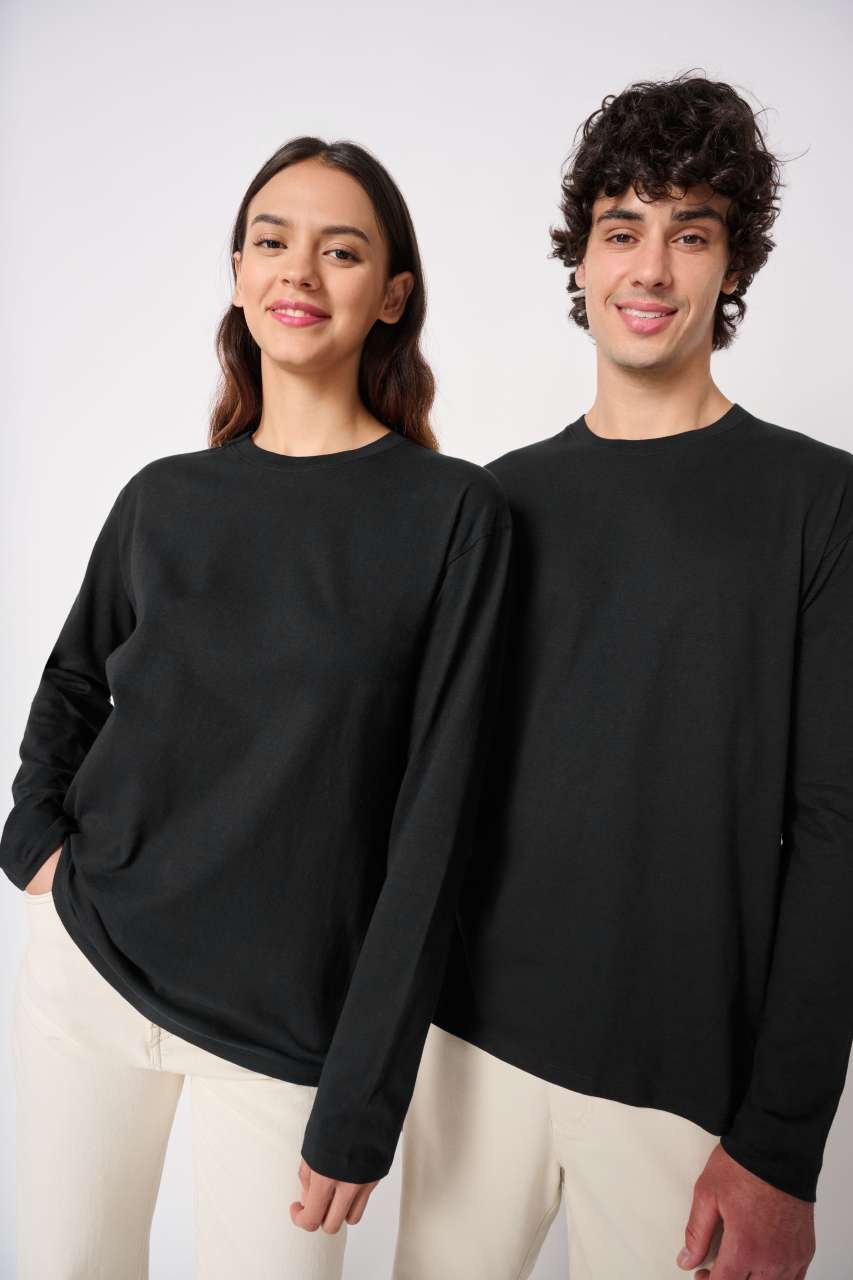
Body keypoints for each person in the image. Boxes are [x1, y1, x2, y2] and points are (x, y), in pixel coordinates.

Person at [2, 135, 512, 1280]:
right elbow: (74, 680)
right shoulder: (165, 497)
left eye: (342, 251)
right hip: (90, 970)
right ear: (238, 273)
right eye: (272, 241)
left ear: (392, 295)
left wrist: (366, 1092)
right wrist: (34, 837)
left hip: (286, 1026)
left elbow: (438, 824)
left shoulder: (452, 515)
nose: (299, 271)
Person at [393, 73, 850, 1280]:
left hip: (678, 1088)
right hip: (468, 1052)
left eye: (689, 233)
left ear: (733, 263)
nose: (649, 267)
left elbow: (839, 827)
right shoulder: (498, 497)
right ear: (582, 257)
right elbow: (425, 785)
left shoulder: (819, 502)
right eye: (621, 228)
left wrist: (780, 1144)